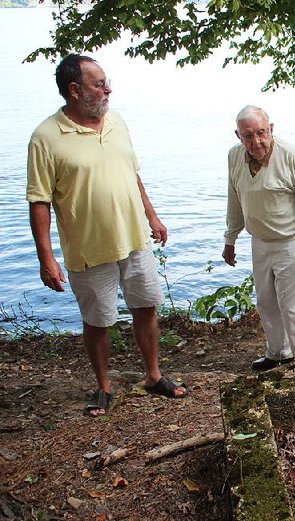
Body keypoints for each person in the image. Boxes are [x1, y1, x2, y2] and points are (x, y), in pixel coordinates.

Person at [27, 54, 188, 417]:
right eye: (99, 84)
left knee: (145, 307)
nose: (108, 89)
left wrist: (152, 216)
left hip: (133, 239)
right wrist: (46, 257)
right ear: (74, 90)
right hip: (89, 247)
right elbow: (40, 201)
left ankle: (153, 375)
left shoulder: (116, 121)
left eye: (106, 81)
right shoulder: (45, 137)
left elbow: (132, 173)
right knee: (98, 321)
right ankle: (103, 386)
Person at [224, 105, 295, 371]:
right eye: (248, 136)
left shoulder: (290, 156)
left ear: (271, 129)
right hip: (259, 241)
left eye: (261, 133)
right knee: (267, 302)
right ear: (238, 136)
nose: (256, 141)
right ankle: (279, 352)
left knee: (294, 305)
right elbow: (235, 199)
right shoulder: (235, 156)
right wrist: (230, 238)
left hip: (291, 241)